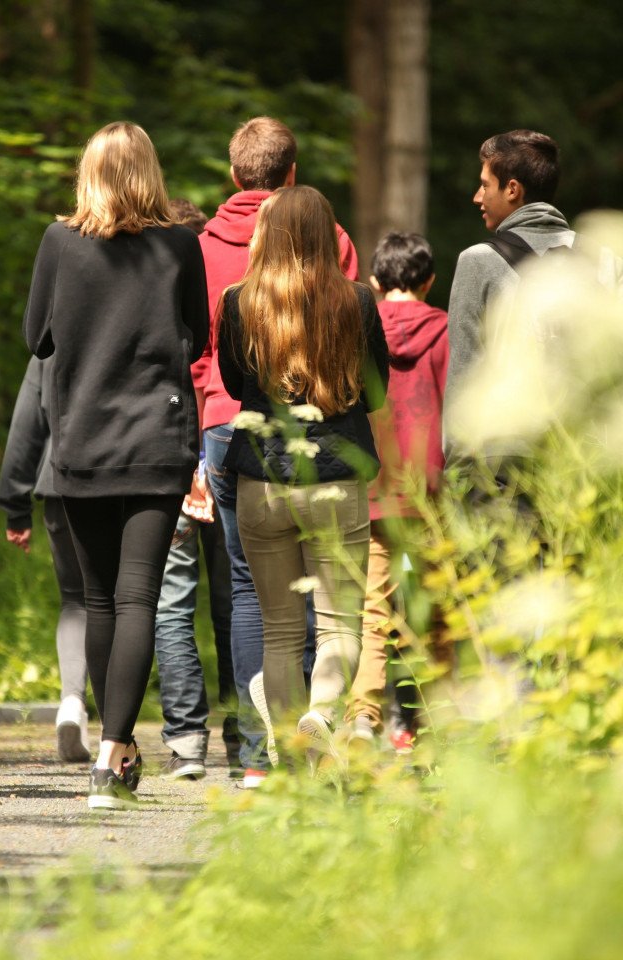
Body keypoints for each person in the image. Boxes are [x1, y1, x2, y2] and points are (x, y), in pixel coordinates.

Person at [23, 121, 209, 810]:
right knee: (138, 598)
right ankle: (114, 753)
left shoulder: (57, 243)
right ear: (150, 174)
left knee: (100, 598)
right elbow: (196, 335)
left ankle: (113, 747)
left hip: (80, 441)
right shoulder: (180, 247)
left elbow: (33, 336)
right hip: (157, 441)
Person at [196, 116, 359, 787]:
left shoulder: (221, 278)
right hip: (335, 462)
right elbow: (364, 380)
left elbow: (226, 377)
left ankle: (272, 760)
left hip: (247, 455)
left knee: (266, 615)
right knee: (337, 611)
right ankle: (320, 721)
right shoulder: (350, 280)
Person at [218, 185, 388, 765]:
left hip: (262, 480)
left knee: (281, 630)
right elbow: (377, 392)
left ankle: (292, 756)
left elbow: (234, 377)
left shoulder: (238, 302)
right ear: (327, 235)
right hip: (338, 478)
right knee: (341, 624)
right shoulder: (357, 303)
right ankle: (321, 717)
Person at [348, 232, 448, 751]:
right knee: (437, 603)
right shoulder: (447, 331)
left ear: (374, 282)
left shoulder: (360, 328)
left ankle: (364, 716)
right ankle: (436, 719)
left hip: (374, 483)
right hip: (429, 489)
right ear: (429, 281)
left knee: (372, 608)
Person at [154, 198, 239, 781]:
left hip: (171, 457)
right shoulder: (222, 301)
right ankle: (241, 730)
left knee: (171, 601)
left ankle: (187, 740)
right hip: (222, 446)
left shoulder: (152, 303)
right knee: (236, 598)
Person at [443, 130, 573, 466]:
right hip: (582, 465)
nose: (477, 197)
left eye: (485, 185)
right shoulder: (604, 261)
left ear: (512, 189)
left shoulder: (478, 260)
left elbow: (465, 376)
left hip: (501, 464)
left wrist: (457, 471)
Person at [0, 354, 91, 763]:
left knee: (77, 600)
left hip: (61, 478)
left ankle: (72, 702)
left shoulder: (52, 339)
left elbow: (26, 424)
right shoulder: (138, 317)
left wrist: (15, 504)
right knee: (126, 601)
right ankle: (118, 734)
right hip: (131, 476)